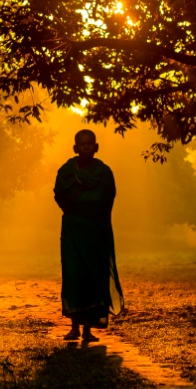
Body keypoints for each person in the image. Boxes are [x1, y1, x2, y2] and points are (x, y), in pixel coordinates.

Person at [53, 129, 124, 342]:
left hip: (95, 231)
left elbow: (103, 198)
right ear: (75, 148)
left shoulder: (103, 172)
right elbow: (61, 195)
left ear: (96, 147)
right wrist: (82, 199)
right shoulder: (66, 171)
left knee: (93, 277)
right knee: (74, 276)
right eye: (82, 144)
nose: (85, 147)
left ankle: (87, 331)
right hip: (73, 232)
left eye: (89, 143)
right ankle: (74, 328)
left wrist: (79, 199)